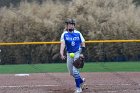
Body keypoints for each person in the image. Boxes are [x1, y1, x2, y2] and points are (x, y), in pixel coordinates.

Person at [60, 18, 86, 93]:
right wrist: (61, 53)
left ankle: (78, 88)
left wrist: (81, 53)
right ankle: (81, 81)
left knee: (75, 71)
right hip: (69, 54)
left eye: (72, 24)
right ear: (67, 26)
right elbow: (63, 44)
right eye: (69, 24)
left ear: (74, 25)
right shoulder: (64, 34)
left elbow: (83, 43)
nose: (70, 26)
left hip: (77, 52)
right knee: (71, 73)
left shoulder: (78, 33)